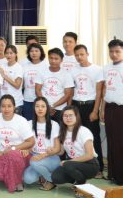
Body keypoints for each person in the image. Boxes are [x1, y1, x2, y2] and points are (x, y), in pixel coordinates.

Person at [71, 44, 104, 178]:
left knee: (93, 137)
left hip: (90, 106)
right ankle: (78, 166)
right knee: (76, 136)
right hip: (76, 105)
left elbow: (99, 92)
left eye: (82, 54)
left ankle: (98, 168)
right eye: (77, 55)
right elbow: (71, 90)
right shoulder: (73, 70)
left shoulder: (97, 69)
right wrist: (70, 109)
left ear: (87, 54)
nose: (79, 57)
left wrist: (95, 111)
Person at [0, 95, 35, 192]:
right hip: (2, 154)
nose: (6, 109)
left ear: (14, 107)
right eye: (3, 106)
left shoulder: (21, 120)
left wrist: (14, 147)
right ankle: (15, 176)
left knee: (12, 155)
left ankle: (16, 182)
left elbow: (31, 141)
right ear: (0, 107)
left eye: (9, 106)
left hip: (18, 154)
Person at [52, 106, 99, 185]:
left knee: (68, 165)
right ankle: (77, 178)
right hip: (73, 164)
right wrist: (52, 150)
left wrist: (69, 161)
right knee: (56, 177)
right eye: (65, 116)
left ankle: (81, 183)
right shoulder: (63, 132)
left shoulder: (83, 131)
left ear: (76, 117)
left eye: (71, 115)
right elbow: (61, 152)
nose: (68, 118)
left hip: (90, 164)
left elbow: (90, 155)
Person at [23, 97, 61, 191]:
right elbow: (27, 143)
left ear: (47, 108)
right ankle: (42, 175)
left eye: (43, 106)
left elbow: (57, 149)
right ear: (34, 108)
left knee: (33, 162)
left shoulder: (54, 124)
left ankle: (52, 180)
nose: (40, 109)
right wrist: (28, 149)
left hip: (51, 157)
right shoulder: (28, 124)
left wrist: (42, 155)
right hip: (35, 156)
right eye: (37, 106)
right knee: (27, 179)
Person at [102, 38, 123, 185]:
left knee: (120, 142)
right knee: (111, 141)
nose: (114, 54)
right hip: (109, 108)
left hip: (121, 109)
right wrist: (102, 109)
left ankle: (121, 177)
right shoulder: (106, 68)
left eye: (117, 51)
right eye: (111, 51)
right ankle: (112, 174)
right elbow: (105, 90)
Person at [35, 48, 74, 122]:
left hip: (60, 109)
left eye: (56, 59)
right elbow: (37, 90)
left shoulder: (66, 75)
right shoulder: (41, 72)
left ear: (61, 60)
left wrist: (53, 106)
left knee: (60, 129)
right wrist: (46, 106)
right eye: (51, 58)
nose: (53, 61)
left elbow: (67, 95)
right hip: (43, 108)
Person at [22, 43, 48, 121]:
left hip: (42, 100)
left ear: (41, 52)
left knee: (42, 122)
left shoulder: (46, 65)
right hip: (28, 99)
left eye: (36, 51)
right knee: (28, 122)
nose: (34, 53)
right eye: (31, 51)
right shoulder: (24, 66)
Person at [0, 45, 24, 115]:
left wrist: (5, 76)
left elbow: (17, 85)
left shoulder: (18, 67)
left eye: (11, 53)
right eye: (7, 53)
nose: (9, 55)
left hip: (16, 103)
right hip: (4, 102)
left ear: (15, 54)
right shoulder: (2, 66)